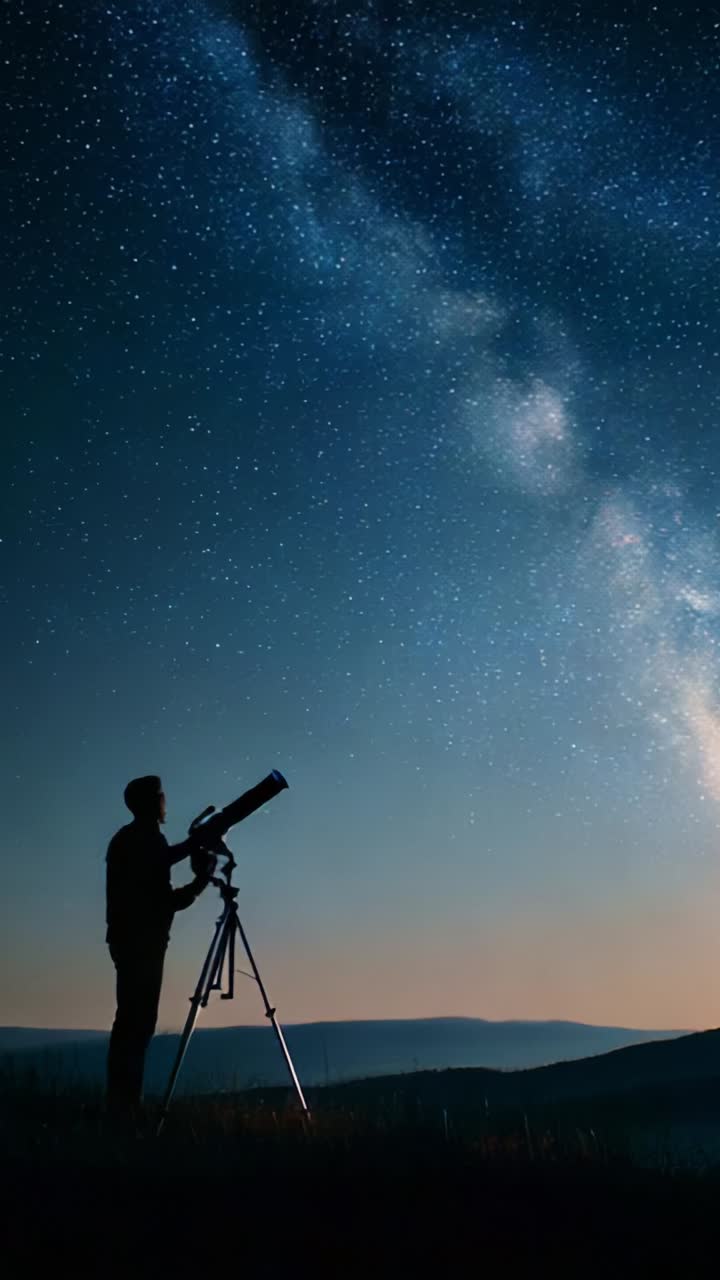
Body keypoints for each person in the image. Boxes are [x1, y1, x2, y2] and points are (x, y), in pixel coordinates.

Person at [105, 774, 214, 1115]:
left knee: (129, 1022)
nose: (166, 802)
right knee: (137, 1024)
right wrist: (201, 881)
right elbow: (166, 900)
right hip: (143, 943)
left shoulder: (133, 839)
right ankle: (125, 1106)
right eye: (161, 797)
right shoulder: (144, 841)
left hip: (130, 941)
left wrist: (191, 849)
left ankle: (121, 1102)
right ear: (153, 803)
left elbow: (163, 859)